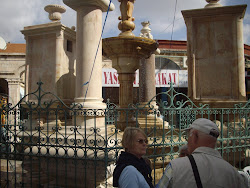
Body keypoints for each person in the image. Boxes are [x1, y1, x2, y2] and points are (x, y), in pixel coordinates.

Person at [156, 118, 247, 188]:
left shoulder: (175, 167)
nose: (187, 141)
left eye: (188, 136)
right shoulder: (233, 174)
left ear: (195, 136)